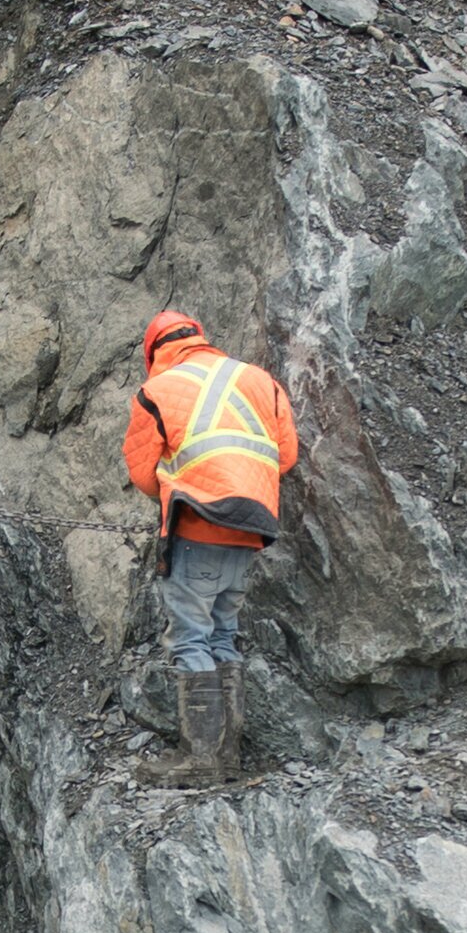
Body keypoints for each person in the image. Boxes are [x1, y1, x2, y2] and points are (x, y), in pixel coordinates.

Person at [121, 309, 300, 782]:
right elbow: (286, 456)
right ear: (201, 338)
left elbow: (141, 475)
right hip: (250, 530)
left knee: (190, 638)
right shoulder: (259, 380)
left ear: (153, 352)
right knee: (224, 633)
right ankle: (228, 756)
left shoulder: (155, 392)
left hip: (198, 529)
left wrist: (185, 484)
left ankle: (199, 757)